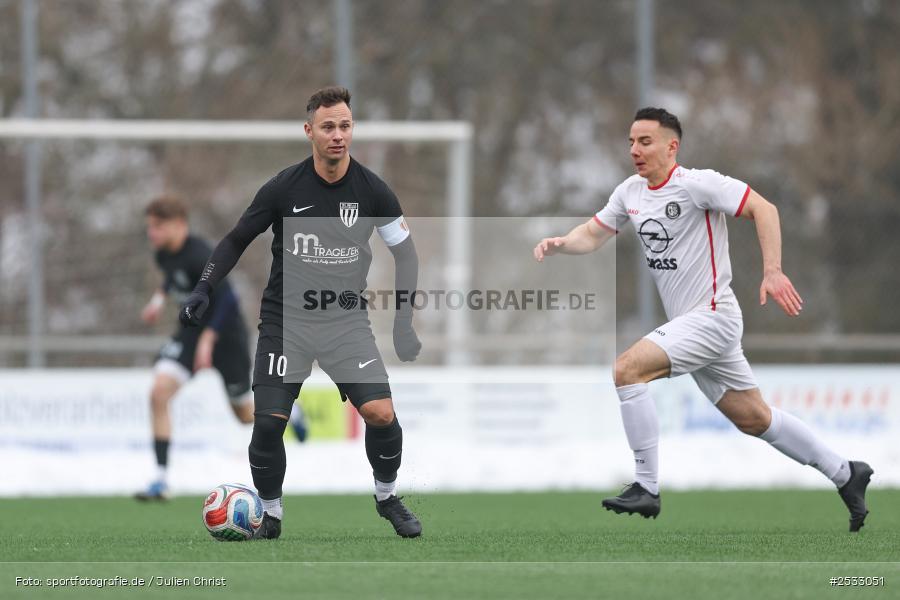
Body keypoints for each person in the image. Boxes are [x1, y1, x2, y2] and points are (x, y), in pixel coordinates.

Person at [533, 107, 873, 532]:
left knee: (626, 370)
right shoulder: (629, 193)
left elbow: (764, 209)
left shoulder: (698, 184)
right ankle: (846, 473)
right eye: (631, 142)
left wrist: (773, 270)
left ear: (671, 146)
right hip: (694, 325)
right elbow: (593, 233)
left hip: (712, 316)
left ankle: (646, 487)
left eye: (645, 141)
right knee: (754, 418)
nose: (635, 150)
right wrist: (562, 243)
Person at [179, 86, 423, 539]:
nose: (337, 135)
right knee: (269, 424)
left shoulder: (374, 191)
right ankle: (269, 514)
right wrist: (203, 288)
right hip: (284, 324)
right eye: (328, 127)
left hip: (346, 324)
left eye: (345, 126)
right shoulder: (283, 188)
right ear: (309, 130)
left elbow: (406, 255)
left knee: (382, 415)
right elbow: (235, 240)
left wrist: (404, 323)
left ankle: (387, 498)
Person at [136, 195, 255, 501]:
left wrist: (209, 339)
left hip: (226, 336)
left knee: (243, 415)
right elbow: (171, 280)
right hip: (191, 334)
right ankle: (161, 479)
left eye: (158, 227)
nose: (152, 233)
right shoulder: (163, 254)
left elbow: (228, 299)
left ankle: (290, 411)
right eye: (150, 227)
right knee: (158, 393)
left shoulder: (202, 255)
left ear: (179, 225)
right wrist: (158, 301)